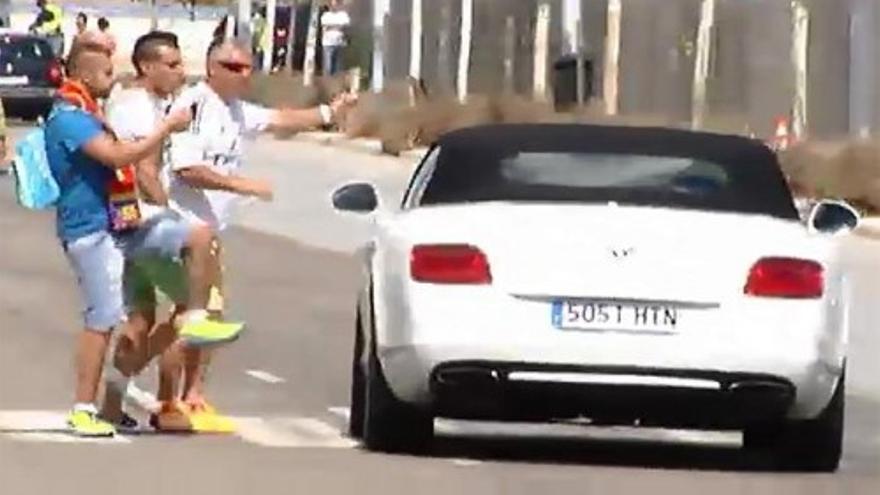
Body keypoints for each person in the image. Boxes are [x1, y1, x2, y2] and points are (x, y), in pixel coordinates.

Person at [44, 40, 246, 437]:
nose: (113, 78)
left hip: (122, 220)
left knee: (196, 237)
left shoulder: (91, 109)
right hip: (90, 230)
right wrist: (167, 129)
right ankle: (84, 408)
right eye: (105, 72)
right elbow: (120, 158)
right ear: (83, 75)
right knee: (104, 317)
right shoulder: (70, 117)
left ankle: (195, 318)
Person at [161, 37, 356, 423]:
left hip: (212, 231)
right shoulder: (194, 106)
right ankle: (167, 401)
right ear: (212, 67)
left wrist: (328, 112)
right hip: (184, 229)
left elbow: (279, 119)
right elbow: (188, 170)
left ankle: (194, 394)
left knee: (210, 317)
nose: (241, 75)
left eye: (247, 68)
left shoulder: (234, 110)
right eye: (232, 67)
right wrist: (243, 186)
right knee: (187, 316)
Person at [100, 31, 211, 431]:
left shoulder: (145, 103)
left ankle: (111, 405)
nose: (181, 72)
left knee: (140, 321)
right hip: (140, 219)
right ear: (147, 67)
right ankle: (196, 318)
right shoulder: (135, 107)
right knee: (199, 247)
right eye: (173, 65)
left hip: (128, 220)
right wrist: (168, 211)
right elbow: (142, 168)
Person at [320, 0, 350, 76]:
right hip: (327, 43)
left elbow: (345, 27)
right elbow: (325, 28)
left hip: (340, 43)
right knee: (328, 66)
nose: (334, 6)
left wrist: (332, 27)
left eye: (336, 4)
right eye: (332, 4)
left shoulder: (343, 15)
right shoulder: (326, 15)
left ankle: (336, 84)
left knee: (338, 67)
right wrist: (337, 26)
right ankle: (327, 83)